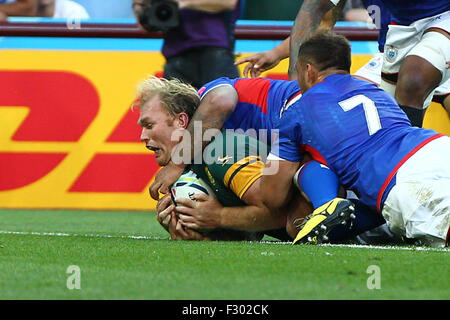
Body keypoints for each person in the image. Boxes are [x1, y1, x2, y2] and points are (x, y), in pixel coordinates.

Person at [261, 31, 450, 247]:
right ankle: (333, 212)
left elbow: (272, 195)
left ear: (307, 70)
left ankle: (327, 206)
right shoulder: (377, 91)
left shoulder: (298, 111)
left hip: (400, 181)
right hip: (435, 145)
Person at [135, 76, 314, 241]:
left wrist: (218, 217)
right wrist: (196, 232)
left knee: (294, 227)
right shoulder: (193, 166)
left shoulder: (221, 151)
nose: (142, 136)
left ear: (181, 121)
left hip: (311, 118)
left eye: (149, 125)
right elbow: (249, 235)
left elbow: (285, 215)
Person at [289, 0, 450, 128]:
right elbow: (313, 12)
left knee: (414, 77)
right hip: (401, 31)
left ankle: (408, 162)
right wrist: (296, 87)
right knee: (360, 117)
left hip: (444, 16)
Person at [132, 0, 240, 89]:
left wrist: (182, 3)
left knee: (225, 107)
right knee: (175, 110)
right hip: (176, 54)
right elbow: (144, 24)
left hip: (213, 50)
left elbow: (228, 2)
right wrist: (141, 7)